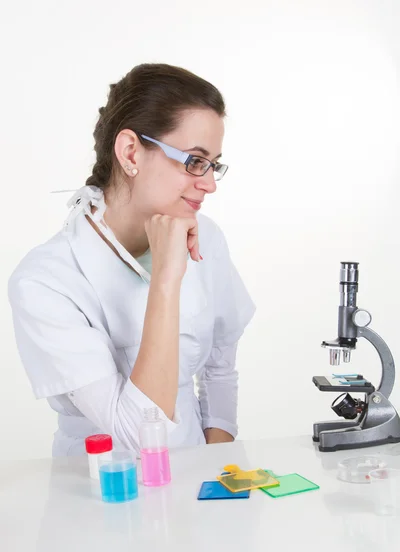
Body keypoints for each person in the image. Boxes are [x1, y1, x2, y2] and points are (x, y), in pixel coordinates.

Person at [8, 63, 256, 456]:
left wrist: (214, 467)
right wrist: (166, 280)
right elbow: (139, 436)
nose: (208, 183)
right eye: (195, 161)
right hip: (97, 494)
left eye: (213, 165)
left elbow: (220, 365)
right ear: (129, 152)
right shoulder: (45, 281)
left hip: (195, 488)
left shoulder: (204, 235)